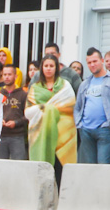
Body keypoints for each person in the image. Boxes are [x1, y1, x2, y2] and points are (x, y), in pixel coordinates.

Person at [26, 53, 76, 183]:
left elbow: (70, 106)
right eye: (46, 66)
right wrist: (46, 108)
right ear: (42, 68)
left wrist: (46, 109)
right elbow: (28, 112)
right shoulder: (35, 88)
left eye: (51, 66)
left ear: (56, 68)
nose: (48, 68)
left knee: (60, 171)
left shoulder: (65, 86)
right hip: (41, 134)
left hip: (62, 133)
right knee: (43, 171)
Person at [74, 47, 110, 164]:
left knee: (103, 167)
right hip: (86, 130)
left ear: (102, 61)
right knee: (89, 168)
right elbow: (78, 106)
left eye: (95, 61)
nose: (92, 65)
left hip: (105, 130)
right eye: (89, 62)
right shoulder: (84, 83)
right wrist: (79, 124)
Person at [0, 64, 28, 160]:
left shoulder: (23, 94)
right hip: (0, 136)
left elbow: (28, 115)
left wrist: (16, 123)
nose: (7, 77)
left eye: (9, 74)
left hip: (17, 136)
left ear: (15, 76)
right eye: (4, 74)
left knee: (18, 165)